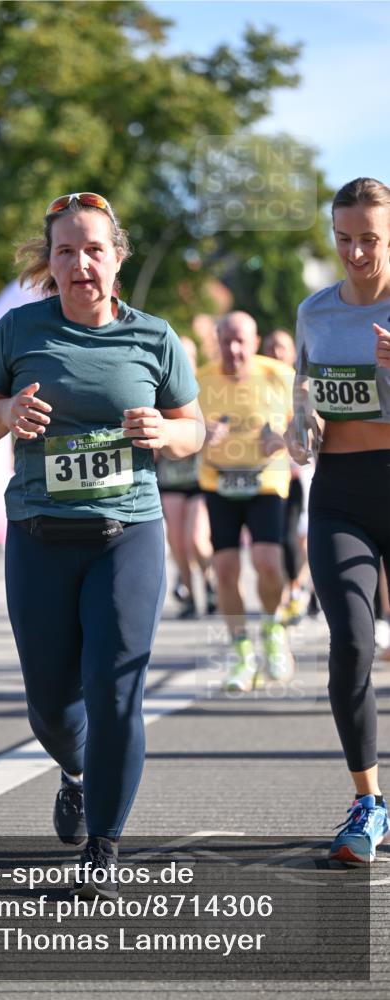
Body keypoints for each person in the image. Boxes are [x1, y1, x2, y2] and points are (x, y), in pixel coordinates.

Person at [0, 192, 204, 897]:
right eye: (64, 251)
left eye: (93, 249)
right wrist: (4, 411)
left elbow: (194, 428)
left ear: (116, 258)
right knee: (50, 703)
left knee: (115, 687)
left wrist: (165, 432)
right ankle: (75, 771)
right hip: (39, 534)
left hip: (127, 531)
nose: (79, 263)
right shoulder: (17, 330)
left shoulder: (152, 337)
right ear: (50, 262)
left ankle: (104, 843)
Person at [285, 177, 390, 863]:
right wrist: (300, 420)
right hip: (340, 492)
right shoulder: (314, 311)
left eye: (369, 239)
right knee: (349, 643)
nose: (354, 252)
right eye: (343, 238)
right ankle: (367, 802)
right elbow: (304, 382)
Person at [198, 312, 295, 692]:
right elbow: (181, 428)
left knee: (268, 562)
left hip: (266, 480)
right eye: (226, 341)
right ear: (217, 341)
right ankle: (241, 650)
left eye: (241, 341)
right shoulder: (200, 381)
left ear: (255, 342)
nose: (234, 349)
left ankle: (273, 630)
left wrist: (284, 438)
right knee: (223, 570)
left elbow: (308, 421)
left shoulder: (278, 376)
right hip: (218, 480)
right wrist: (200, 433)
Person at [156, 335, 215, 618]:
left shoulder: (206, 390)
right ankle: (192, 596)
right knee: (177, 542)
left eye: (189, 355)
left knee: (196, 538)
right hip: (170, 477)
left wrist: (211, 435)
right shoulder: (158, 389)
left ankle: (212, 580)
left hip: (201, 478)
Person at [261, 330, 314, 625]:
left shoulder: (298, 384)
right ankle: (290, 594)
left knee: (299, 538)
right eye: (271, 347)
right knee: (283, 539)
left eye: (281, 347)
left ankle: (298, 589)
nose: (276, 353)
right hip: (268, 475)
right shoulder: (257, 383)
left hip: (298, 472)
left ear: (293, 353)